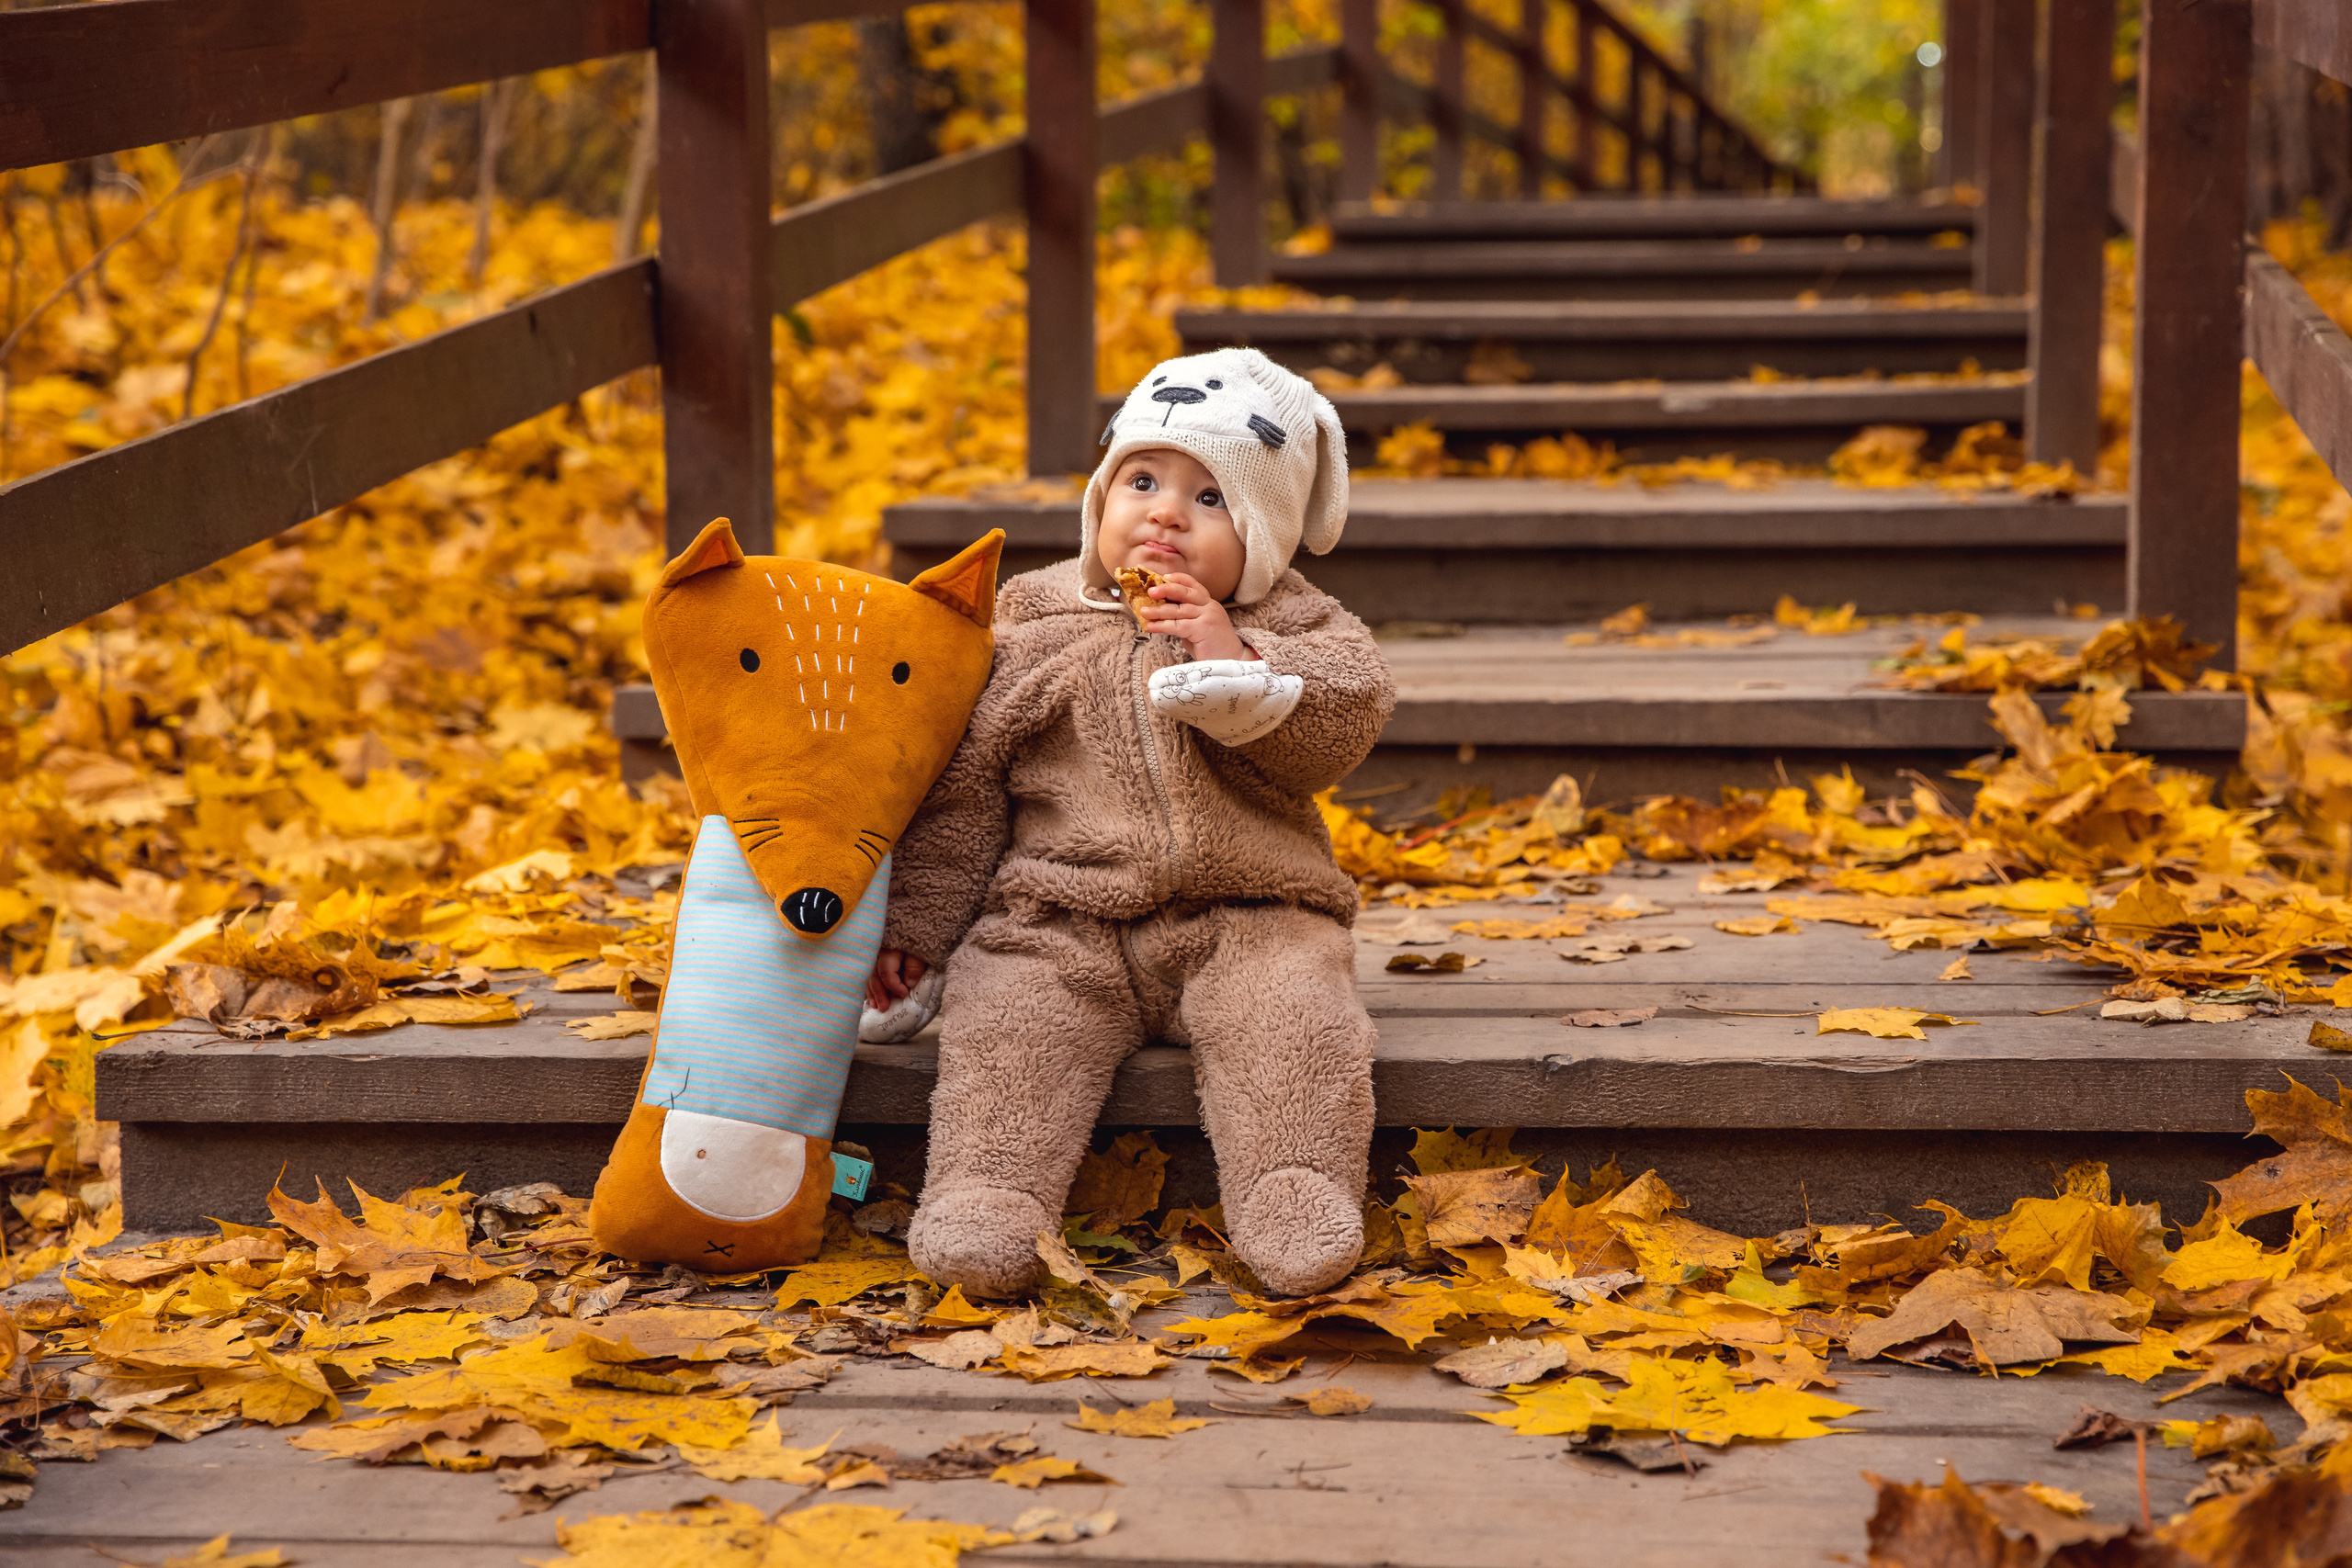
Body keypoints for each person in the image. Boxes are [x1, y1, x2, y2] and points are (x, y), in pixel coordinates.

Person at [862, 346, 1397, 1297]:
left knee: (1295, 1016)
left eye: (1210, 499)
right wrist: (915, 930)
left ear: (1265, 535)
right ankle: (988, 1191)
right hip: (1061, 916)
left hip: (1252, 913)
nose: (1163, 514)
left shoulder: (1295, 623)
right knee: (1008, 1020)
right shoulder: (1030, 622)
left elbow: (1345, 718)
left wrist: (1239, 662)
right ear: (1100, 499)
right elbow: (964, 794)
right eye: (1142, 481)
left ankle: (1292, 1186)